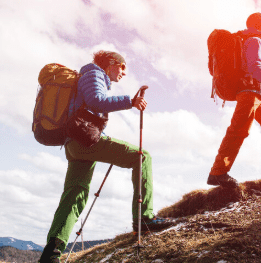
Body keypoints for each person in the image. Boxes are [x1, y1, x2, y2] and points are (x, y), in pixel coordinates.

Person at [39, 51, 173, 263]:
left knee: (74, 195)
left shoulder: (85, 77)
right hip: (85, 141)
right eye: (122, 67)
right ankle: (144, 218)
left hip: (74, 144)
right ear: (111, 63)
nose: (124, 72)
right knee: (142, 156)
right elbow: (97, 100)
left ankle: (51, 253)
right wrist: (131, 101)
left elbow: (89, 107)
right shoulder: (94, 74)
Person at [207, 12, 261, 188]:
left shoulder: (251, 39)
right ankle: (217, 173)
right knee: (238, 130)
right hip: (248, 92)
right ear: (260, 23)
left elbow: (251, 69)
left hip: (253, 93)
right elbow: (254, 68)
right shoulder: (255, 40)